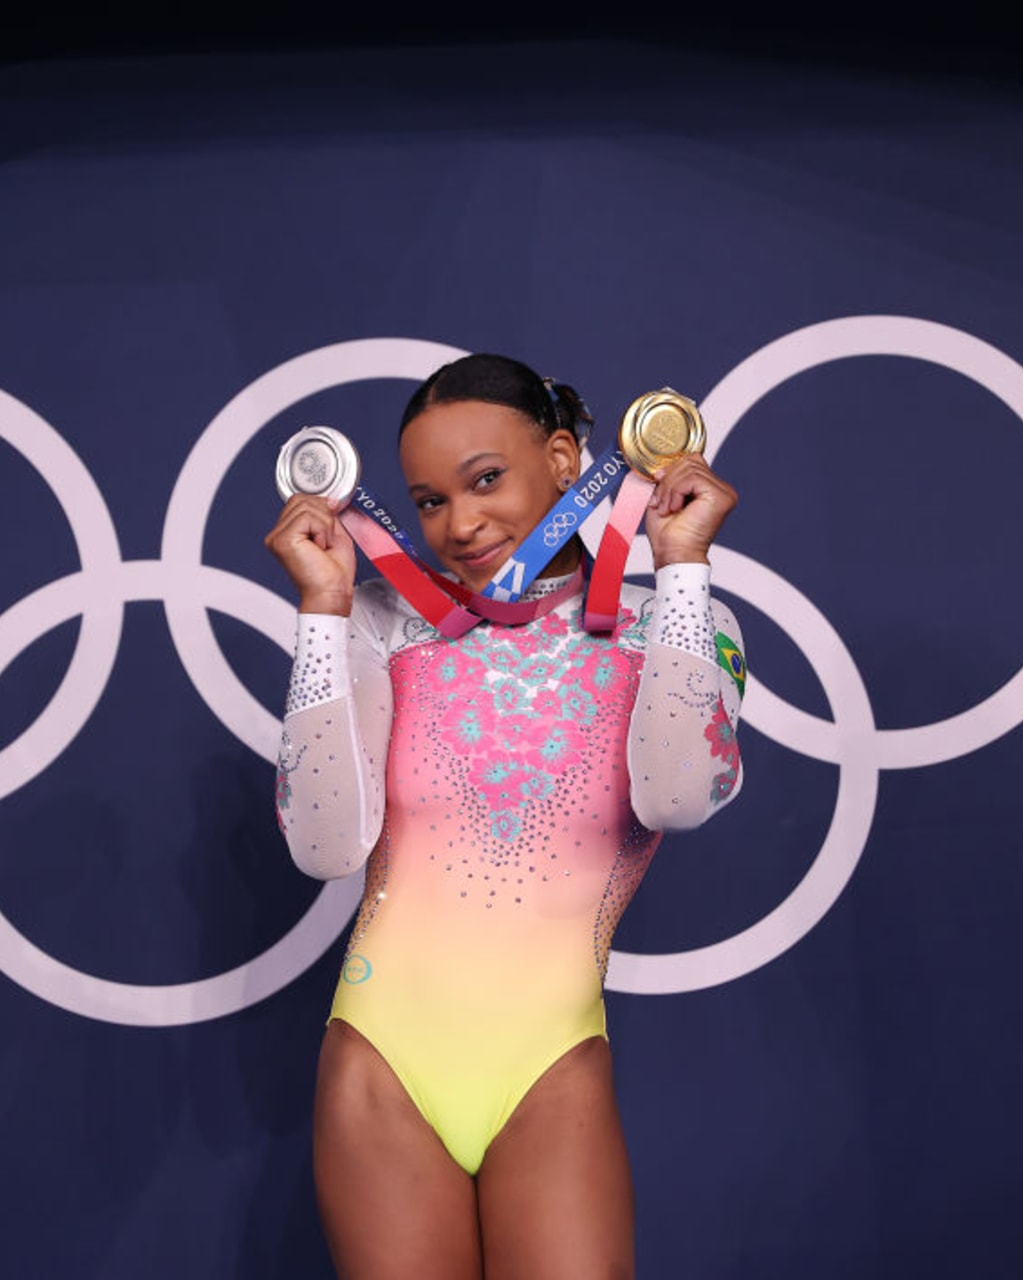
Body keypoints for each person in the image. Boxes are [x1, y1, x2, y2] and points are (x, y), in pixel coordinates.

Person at [265, 354, 743, 1280]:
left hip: (551, 1060)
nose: (462, 523)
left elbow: (681, 794)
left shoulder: (667, 628)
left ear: (565, 458)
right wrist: (322, 610)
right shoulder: (381, 621)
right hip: (383, 1060)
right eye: (429, 500)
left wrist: (682, 567)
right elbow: (323, 846)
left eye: (486, 478)